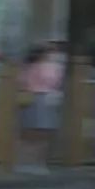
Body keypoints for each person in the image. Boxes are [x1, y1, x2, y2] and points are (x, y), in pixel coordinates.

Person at [17, 44, 64, 173]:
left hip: (44, 100)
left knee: (41, 134)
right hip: (37, 99)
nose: (53, 55)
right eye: (49, 52)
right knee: (33, 133)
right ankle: (29, 163)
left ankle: (37, 163)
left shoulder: (52, 67)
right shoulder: (34, 67)